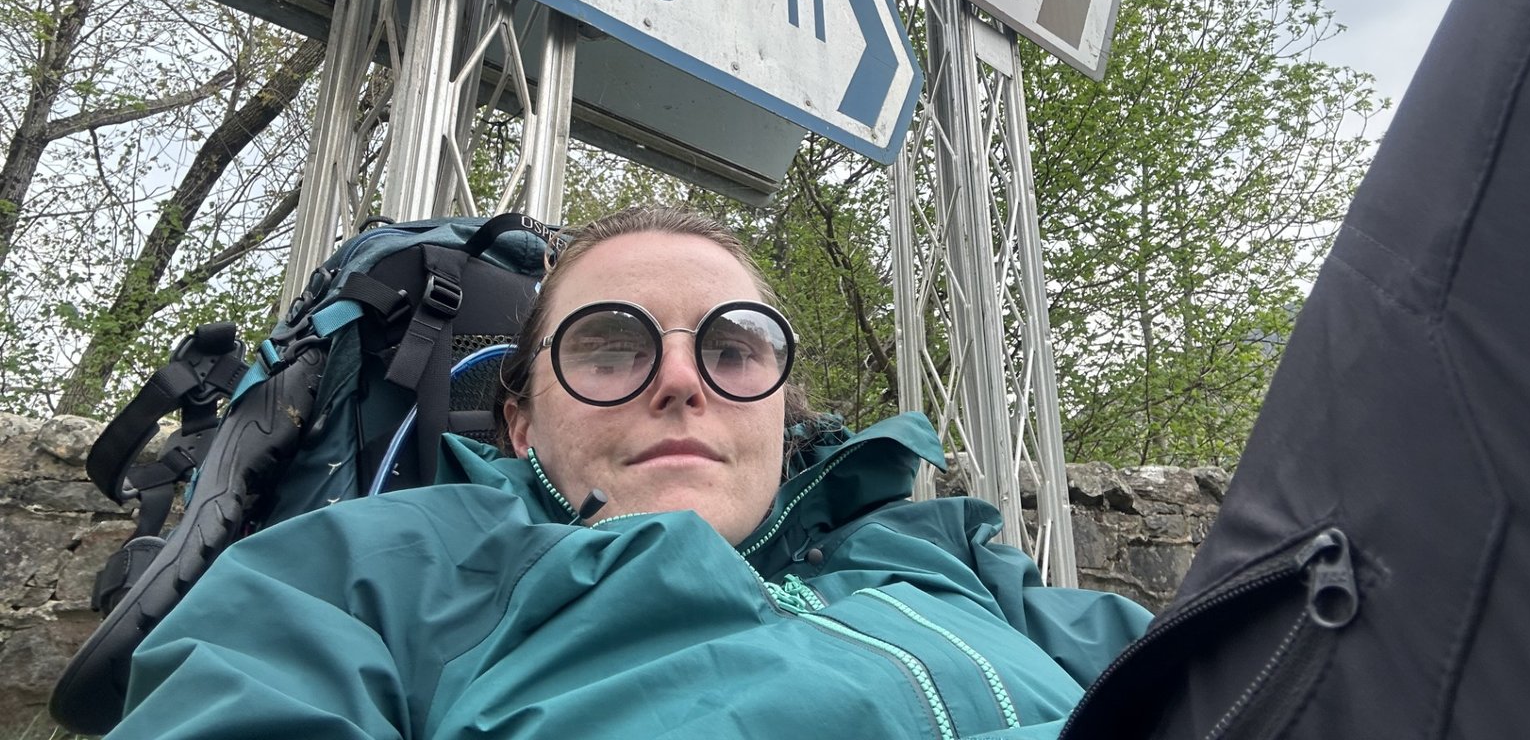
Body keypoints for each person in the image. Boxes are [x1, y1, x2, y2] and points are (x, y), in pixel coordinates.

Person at [109, 204, 1152, 738]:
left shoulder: (954, 557)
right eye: (611, 346)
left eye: (734, 347)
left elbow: (1253, 682)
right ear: (520, 421)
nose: (681, 383)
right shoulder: (372, 574)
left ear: (783, 412)